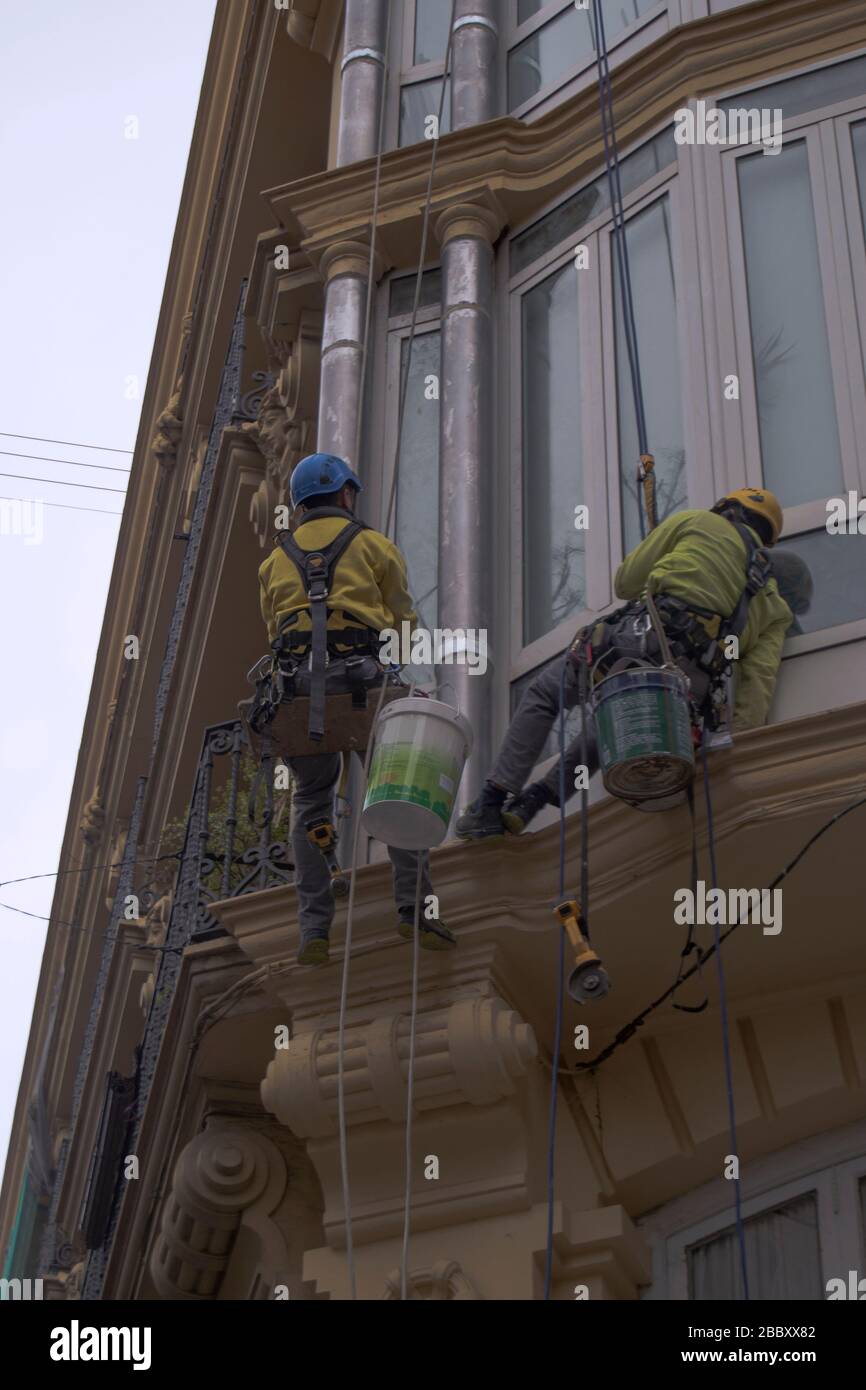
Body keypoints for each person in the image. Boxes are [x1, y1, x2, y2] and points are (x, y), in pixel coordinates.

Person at [456, 488, 794, 840]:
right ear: (765, 542)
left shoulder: (696, 521)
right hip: (688, 686)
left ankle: (491, 803)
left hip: (641, 637)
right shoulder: (775, 607)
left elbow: (626, 582)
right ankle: (535, 799)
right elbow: (756, 692)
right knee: (617, 720)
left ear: (727, 510)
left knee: (545, 693)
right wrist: (730, 756)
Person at [258, 452, 455, 964]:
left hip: (297, 693)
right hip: (361, 686)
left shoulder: (273, 562)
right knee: (396, 788)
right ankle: (414, 910)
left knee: (311, 798)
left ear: (301, 506)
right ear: (346, 494)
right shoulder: (372, 545)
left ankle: (313, 930)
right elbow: (404, 624)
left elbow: (274, 632)